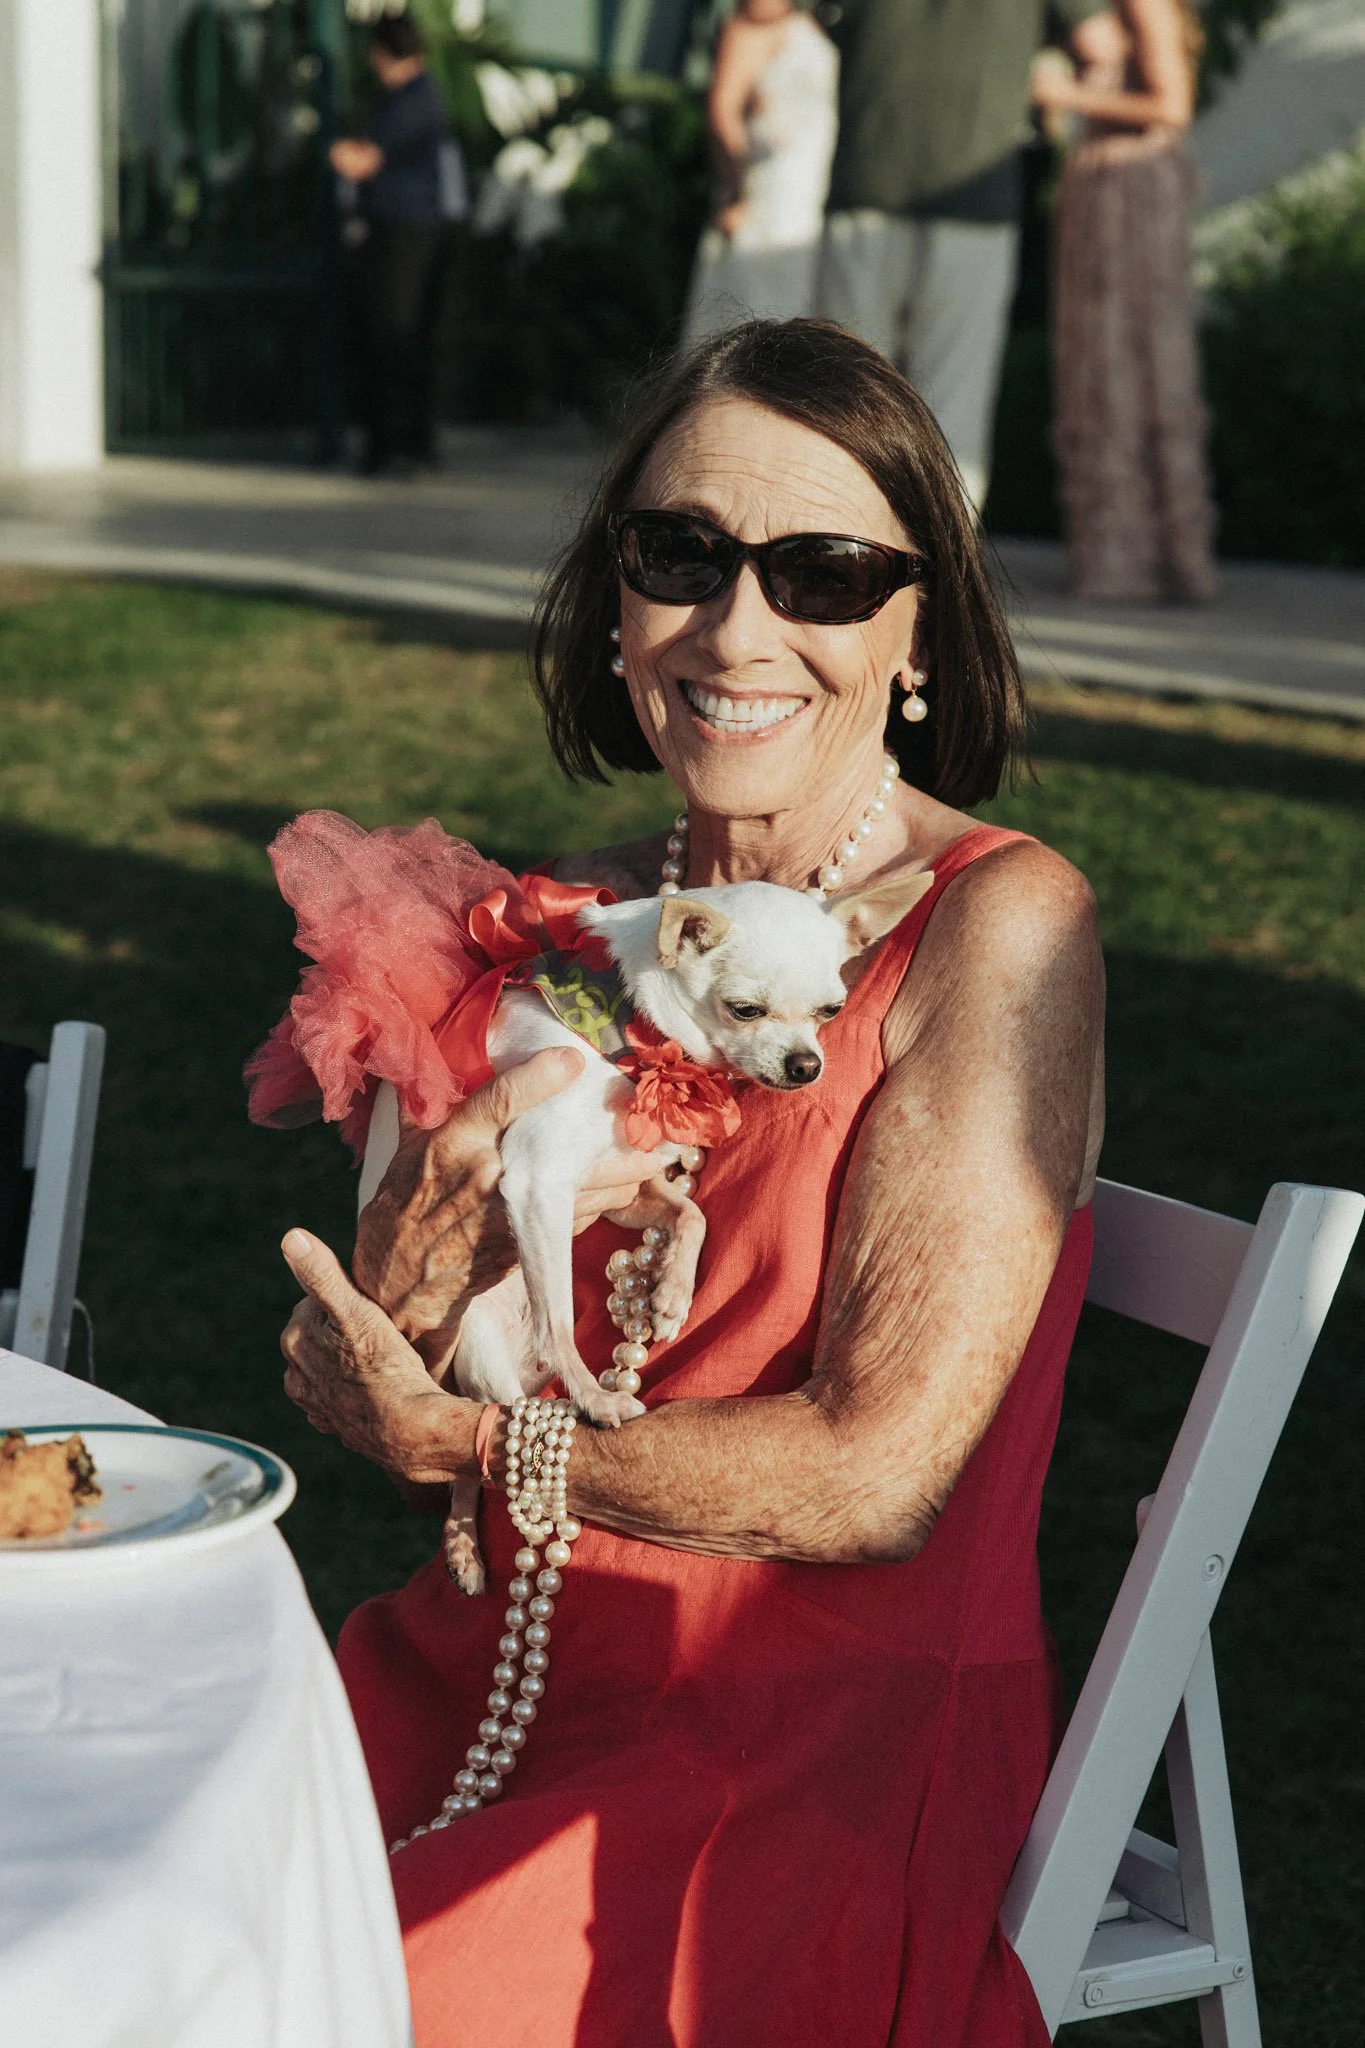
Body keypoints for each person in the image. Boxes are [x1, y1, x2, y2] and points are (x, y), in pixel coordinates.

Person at [271, 318, 1105, 2047]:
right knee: (118, 1897)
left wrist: (471, 1445)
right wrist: (417, 1251)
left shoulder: (1004, 927)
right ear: (616, 603)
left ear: (920, 630)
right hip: (484, 1664)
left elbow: (881, 1474)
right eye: (680, 556)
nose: (738, 628)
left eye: (821, 571)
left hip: (792, 1742)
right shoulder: (575, 922)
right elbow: (408, 1339)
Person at [817, 0, 1106, 512]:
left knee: (845, 383)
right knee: (955, 389)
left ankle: (832, 536)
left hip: (869, 173)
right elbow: (1102, 47)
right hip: (977, 187)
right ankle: (942, 561)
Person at [1032, 2, 1218, 600]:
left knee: (1131, 361)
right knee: (1102, 366)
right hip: (1104, 186)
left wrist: (1067, 94)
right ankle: (1124, 556)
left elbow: (1172, 105)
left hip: (1130, 191)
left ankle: (1152, 558)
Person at [330, 12, 449, 476]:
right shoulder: (420, 97)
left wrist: (332, 148)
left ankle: (392, 445)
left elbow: (359, 163)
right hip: (412, 230)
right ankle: (409, 441)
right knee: (408, 337)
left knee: (391, 336)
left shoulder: (410, 100)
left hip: (402, 233)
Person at [682, 0, 838, 344]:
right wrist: (737, 187)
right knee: (748, 319)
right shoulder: (746, 31)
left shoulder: (811, 26)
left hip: (808, 200)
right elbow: (723, 113)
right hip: (766, 197)